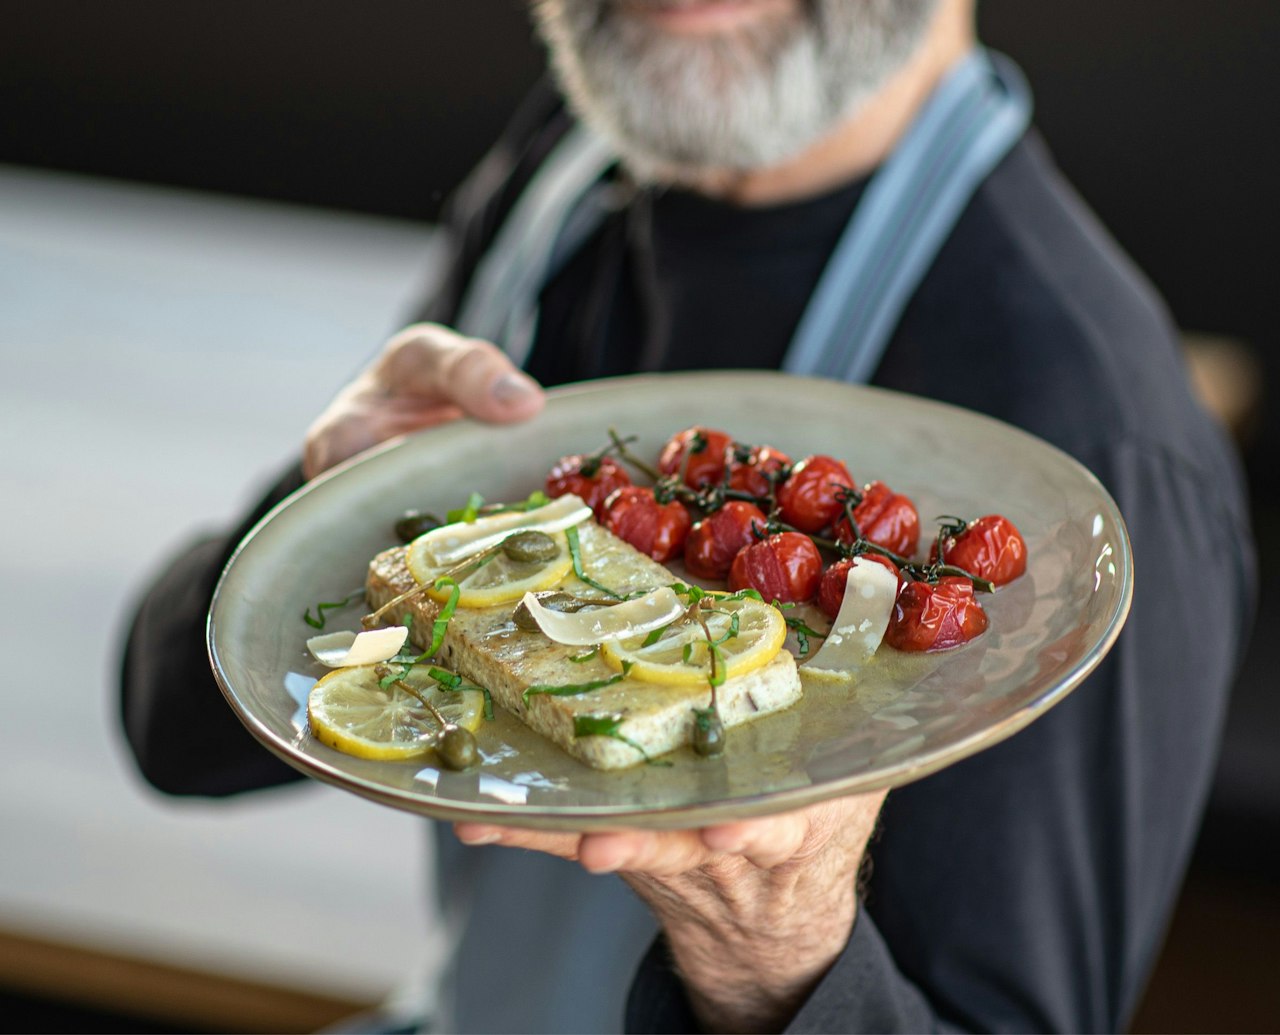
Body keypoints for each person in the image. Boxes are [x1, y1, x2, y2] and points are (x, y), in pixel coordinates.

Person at [121, 0, 1256, 1031]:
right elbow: (174, 734)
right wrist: (322, 504)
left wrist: (772, 947)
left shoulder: (1087, 431)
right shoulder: (570, 176)